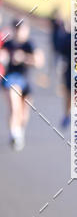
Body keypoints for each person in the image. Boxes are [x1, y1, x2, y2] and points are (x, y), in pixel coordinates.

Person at [1, 18, 44, 150]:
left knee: (24, 114)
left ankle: (19, 131)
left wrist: (23, 58)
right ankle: (14, 135)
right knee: (14, 108)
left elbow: (39, 61)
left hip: (26, 81)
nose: (20, 32)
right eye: (18, 29)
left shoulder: (29, 44)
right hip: (11, 79)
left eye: (23, 30)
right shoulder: (8, 45)